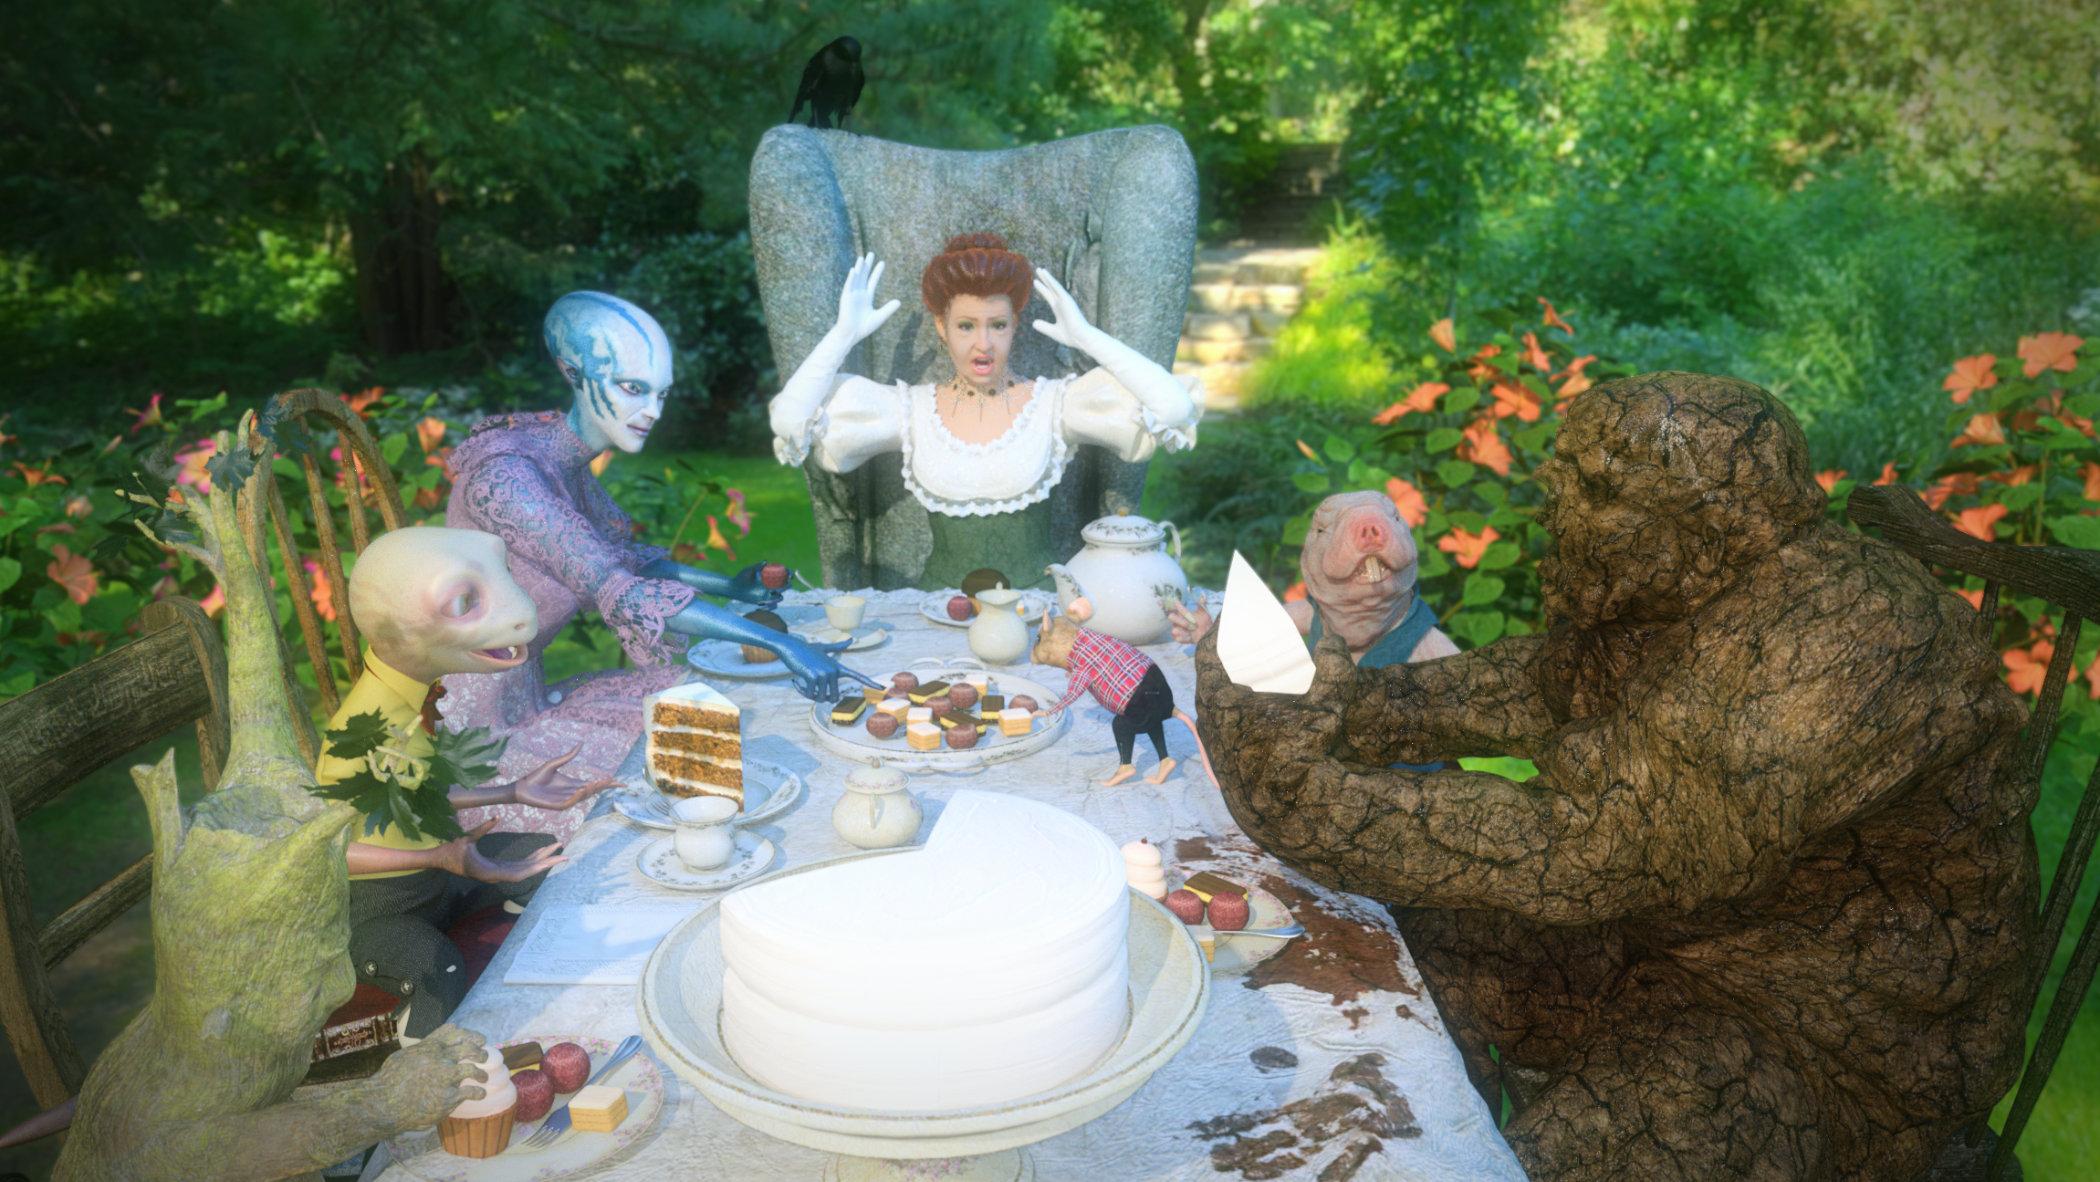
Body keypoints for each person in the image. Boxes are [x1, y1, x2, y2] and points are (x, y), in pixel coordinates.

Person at [441, 292, 873, 840]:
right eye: (632, 388)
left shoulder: (558, 460)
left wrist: (731, 587)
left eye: (660, 393)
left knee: (708, 725)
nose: (653, 411)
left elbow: (629, 563)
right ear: (573, 373)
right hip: (478, 742)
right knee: (682, 782)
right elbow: (621, 589)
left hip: (529, 702)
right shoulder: (507, 479)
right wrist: (785, 645)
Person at [767, 234, 1202, 589]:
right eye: (966, 326)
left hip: (1038, 619)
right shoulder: (911, 411)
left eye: (998, 325)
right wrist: (842, 336)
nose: (983, 345)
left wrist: (1088, 337)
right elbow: (789, 422)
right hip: (939, 615)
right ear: (941, 327)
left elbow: (1174, 408)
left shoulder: (1054, 405)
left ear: (1015, 326)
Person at [319, 527, 616, 1037]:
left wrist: (512, 791)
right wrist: (437, 857)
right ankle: (428, 1062)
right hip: (382, 907)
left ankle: (521, 965)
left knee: (544, 856)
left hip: (440, 881)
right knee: (438, 968)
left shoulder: (411, 702)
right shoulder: (360, 732)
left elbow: (419, 793)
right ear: (397, 631)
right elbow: (332, 850)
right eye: (462, 603)